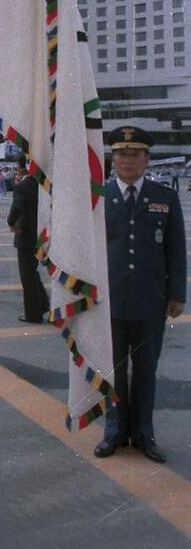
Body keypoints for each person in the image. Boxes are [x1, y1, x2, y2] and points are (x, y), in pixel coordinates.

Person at [94, 126, 186, 464]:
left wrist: (177, 294)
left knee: (146, 371)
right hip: (111, 302)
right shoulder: (100, 198)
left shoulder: (165, 197)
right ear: (112, 160)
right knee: (114, 371)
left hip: (151, 301)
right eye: (120, 154)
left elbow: (176, 251)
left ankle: (144, 434)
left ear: (147, 159)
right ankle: (114, 432)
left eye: (134, 154)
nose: (126, 160)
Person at [7, 155, 49, 324]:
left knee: (27, 275)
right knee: (33, 273)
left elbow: (17, 207)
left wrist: (10, 222)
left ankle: (33, 314)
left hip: (26, 237)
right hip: (44, 234)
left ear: (23, 167)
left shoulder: (22, 187)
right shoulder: (44, 186)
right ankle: (43, 305)